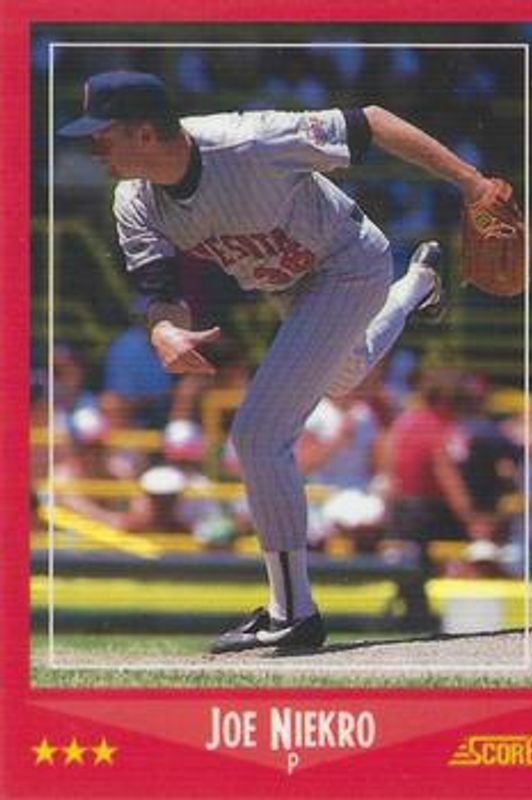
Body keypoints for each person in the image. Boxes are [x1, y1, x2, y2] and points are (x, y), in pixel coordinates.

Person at [58, 70, 499, 654]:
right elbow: (160, 290)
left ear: (144, 133)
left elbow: (372, 121)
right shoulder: (133, 201)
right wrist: (164, 328)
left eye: (103, 134)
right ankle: (417, 284)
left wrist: (472, 183)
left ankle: (293, 612)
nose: (94, 148)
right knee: (343, 378)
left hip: (348, 263)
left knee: (258, 433)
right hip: (288, 286)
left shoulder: (250, 140)